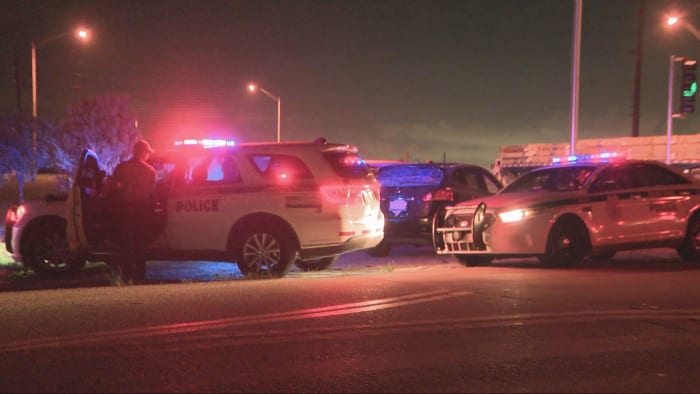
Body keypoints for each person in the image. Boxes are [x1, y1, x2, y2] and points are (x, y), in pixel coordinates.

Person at [109, 139, 157, 283]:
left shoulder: (122, 167)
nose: (148, 155)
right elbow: (152, 192)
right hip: (142, 212)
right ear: (144, 152)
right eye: (147, 152)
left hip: (125, 211)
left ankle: (125, 276)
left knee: (126, 244)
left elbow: (111, 187)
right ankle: (140, 278)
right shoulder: (150, 171)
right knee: (140, 245)